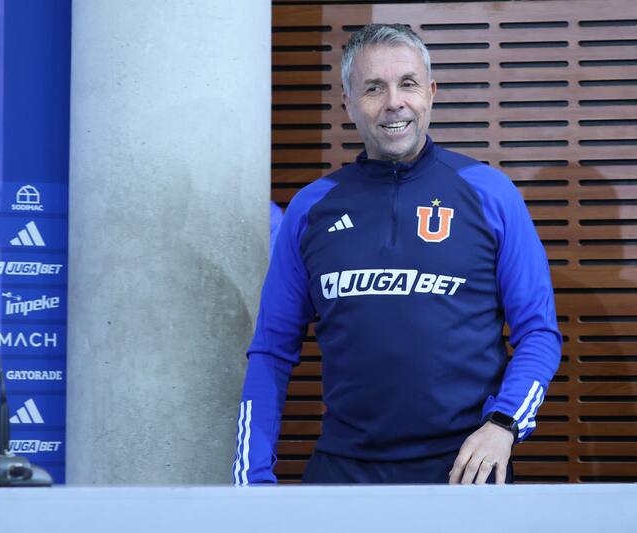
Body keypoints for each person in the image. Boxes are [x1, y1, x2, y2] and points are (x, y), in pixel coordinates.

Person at [232, 23, 561, 485]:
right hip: (342, 472)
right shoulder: (312, 207)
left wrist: (504, 424)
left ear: (430, 92)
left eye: (407, 83)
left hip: (463, 469)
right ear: (348, 103)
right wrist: (250, 479)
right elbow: (271, 352)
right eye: (373, 88)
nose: (393, 102)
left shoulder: (491, 193)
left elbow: (539, 333)